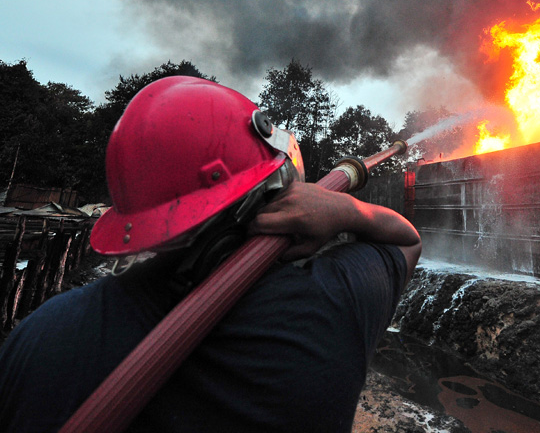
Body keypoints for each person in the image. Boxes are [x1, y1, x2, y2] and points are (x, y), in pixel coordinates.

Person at [0, 76, 421, 433]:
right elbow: (405, 241)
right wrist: (349, 209)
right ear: (270, 195)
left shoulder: (40, 338)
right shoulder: (331, 308)